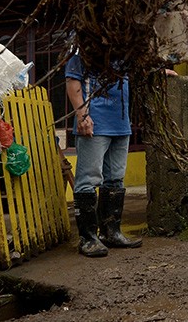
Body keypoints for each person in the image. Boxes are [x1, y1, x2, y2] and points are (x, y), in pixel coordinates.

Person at [65, 54, 143, 258]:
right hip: (95, 123)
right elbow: (73, 83)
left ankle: (111, 233)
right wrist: (82, 116)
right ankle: (88, 238)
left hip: (121, 125)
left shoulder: (123, 57)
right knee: (88, 179)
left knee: (116, 178)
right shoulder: (83, 54)